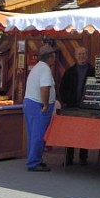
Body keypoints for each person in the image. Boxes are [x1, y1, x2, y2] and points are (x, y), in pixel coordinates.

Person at [59, 46, 95, 166]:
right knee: (70, 133)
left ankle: (83, 158)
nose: (81, 56)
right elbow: (62, 88)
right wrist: (66, 101)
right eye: (79, 54)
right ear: (75, 56)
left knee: (85, 132)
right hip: (72, 107)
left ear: (87, 55)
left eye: (84, 54)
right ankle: (69, 158)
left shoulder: (92, 71)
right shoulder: (70, 71)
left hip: (86, 107)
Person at [23, 44, 58, 172]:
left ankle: (34, 159)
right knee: (39, 134)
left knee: (33, 133)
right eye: (53, 56)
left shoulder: (38, 67)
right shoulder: (45, 69)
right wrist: (45, 104)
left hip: (30, 102)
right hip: (38, 104)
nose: (55, 59)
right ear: (49, 57)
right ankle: (34, 162)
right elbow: (45, 87)